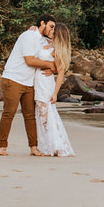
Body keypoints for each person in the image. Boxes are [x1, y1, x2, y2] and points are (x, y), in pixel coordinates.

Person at [0, 15, 56, 156]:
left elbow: (53, 47)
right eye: (51, 26)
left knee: (30, 116)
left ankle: (34, 147)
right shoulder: (28, 36)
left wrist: (52, 67)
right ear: (42, 23)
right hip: (13, 79)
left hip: (29, 82)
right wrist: (49, 65)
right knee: (9, 113)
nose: (52, 29)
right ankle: (2, 146)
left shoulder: (41, 39)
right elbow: (29, 60)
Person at [33, 22, 75, 157]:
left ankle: (53, 145)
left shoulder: (57, 49)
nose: (50, 30)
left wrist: (55, 93)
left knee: (45, 113)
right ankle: (50, 144)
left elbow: (61, 73)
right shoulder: (46, 42)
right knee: (43, 113)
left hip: (45, 84)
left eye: (53, 29)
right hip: (38, 81)